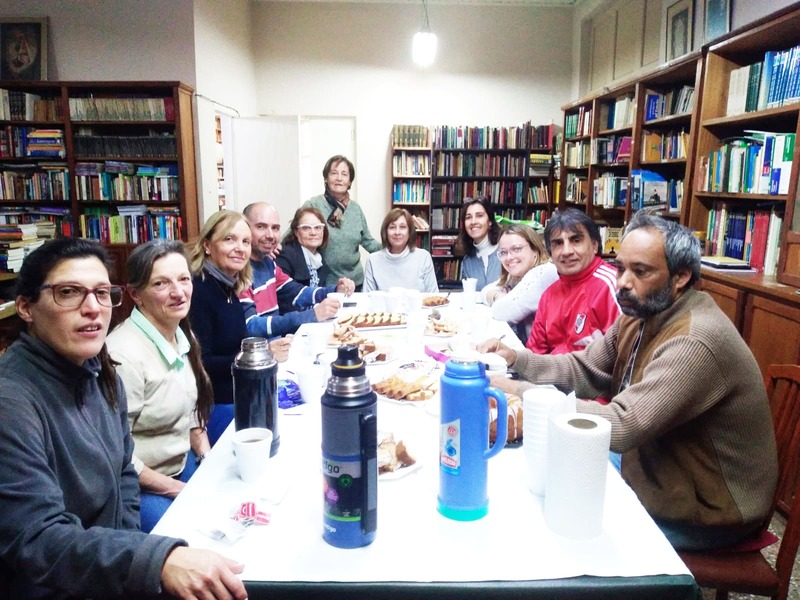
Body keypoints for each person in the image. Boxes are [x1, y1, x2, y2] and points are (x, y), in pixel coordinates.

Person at [479, 213, 778, 551]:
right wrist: (517, 360)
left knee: (558, 525)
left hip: (710, 508)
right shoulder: (642, 313)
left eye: (641, 271)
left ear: (680, 277)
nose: (621, 281)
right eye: (621, 268)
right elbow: (586, 369)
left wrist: (520, 390)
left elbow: (623, 425)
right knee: (538, 479)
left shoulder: (696, 339)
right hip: (660, 466)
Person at [0, 238, 247, 599]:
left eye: (102, 293)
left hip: (108, 571)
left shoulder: (99, 370)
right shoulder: (12, 400)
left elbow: (123, 476)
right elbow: (37, 538)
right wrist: (154, 560)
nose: (93, 308)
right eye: (69, 292)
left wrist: (133, 552)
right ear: (25, 307)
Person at [107, 240, 212, 533]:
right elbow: (117, 455)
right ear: (135, 294)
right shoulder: (122, 356)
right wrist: (178, 490)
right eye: (161, 284)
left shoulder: (179, 332)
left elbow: (192, 409)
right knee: (195, 539)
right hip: (142, 484)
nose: (178, 292)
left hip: (181, 464)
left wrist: (206, 457)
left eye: (183, 279)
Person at [188, 210, 291, 445]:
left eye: (245, 242)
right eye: (229, 239)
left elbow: (235, 344)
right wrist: (262, 356)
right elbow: (202, 364)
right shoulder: (200, 291)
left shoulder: (227, 286)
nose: (240, 248)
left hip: (239, 392)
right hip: (217, 405)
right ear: (206, 245)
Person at [241, 202, 354, 337]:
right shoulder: (240, 269)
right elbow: (250, 326)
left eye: (275, 228)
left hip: (279, 345)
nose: (270, 235)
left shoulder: (268, 264)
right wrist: (311, 315)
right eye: (261, 227)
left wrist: (334, 290)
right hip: (263, 351)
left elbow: (296, 292)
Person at [526, 208, 619, 355]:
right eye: (558, 243)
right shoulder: (548, 296)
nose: (567, 251)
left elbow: (626, 357)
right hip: (552, 375)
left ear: (594, 245)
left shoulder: (612, 286)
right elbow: (535, 356)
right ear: (550, 253)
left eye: (576, 240)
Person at [302, 155, 381, 288]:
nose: (339, 178)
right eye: (334, 173)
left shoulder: (356, 209)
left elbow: (368, 241)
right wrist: (276, 247)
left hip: (357, 283)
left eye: (344, 174)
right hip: (326, 284)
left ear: (349, 182)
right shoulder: (313, 205)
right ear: (326, 179)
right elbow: (294, 231)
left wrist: (393, 247)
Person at [481, 224, 558, 343]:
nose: (509, 257)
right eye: (503, 252)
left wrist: (500, 299)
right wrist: (499, 296)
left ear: (535, 250)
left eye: (516, 249)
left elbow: (501, 313)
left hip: (551, 356)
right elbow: (484, 291)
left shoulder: (545, 272)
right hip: (530, 350)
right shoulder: (517, 276)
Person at [363, 207, 438, 293]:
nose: (397, 232)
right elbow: (367, 300)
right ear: (385, 232)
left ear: (409, 232)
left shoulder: (423, 257)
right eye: (392, 227)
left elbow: (434, 296)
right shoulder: (372, 260)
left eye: (402, 227)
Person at [276, 206, 334, 313]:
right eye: (306, 228)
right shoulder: (286, 255)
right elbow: (285, 299)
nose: (313, 232)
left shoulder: (319, 258)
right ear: (296, 232)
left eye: (318, 227)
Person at [454, 197, 501, 291]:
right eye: (468, 217)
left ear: (490, 222)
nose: (473, 222)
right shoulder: (467, 262)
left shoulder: (506, 252)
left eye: (479, 216)